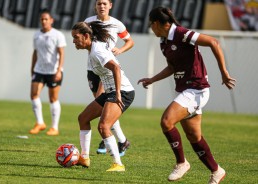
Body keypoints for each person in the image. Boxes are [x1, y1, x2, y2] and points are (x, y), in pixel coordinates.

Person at [138, 7, 236, 184]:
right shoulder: (164, 42)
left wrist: (224, 72)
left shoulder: (182, 33)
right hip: (184, 90)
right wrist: (152, 79)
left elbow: (214, 42)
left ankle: (181, 163)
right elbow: (172, 67)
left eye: (151, 24)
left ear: (158, 23)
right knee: (194, 136)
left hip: (197, 89)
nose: (150, 28)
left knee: (166, 121)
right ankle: (216, 171)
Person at [71, 21, 135, 171]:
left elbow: (115, 68)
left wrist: (117, 93)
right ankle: (85, 157)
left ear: (86, 36)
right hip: (110, 91)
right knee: (83, 118)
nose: (73, 40)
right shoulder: (93, 48)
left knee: (104, 126)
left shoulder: (97, 51)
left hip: (123, 92)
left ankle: (118, 164)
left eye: (76, 37)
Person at [84, 0, 134, 156]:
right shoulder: (88, 22)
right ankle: (121, 141)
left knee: (105, 104)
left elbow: (130, 41)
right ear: (95, 6)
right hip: (93, 69)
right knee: (103, 107)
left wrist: (120, 49)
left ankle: (108, 138)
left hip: (108, 70)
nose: (102, 6)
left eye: (105, 3)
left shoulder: (116, 24)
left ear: (110, 5)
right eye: (99, 3)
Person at [29, 9, 67, 136]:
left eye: (46, 19)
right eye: (42, 19)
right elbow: (35, 52)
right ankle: (40, 123)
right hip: (39, 70)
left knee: (53, 98)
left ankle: (54, 127)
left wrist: (58, 71)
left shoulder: (58, 35)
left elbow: (61, 53)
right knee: (34, 94)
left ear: (51, 20)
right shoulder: (36, 35)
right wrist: (32, 68)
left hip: (53, 71)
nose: (44, 21)